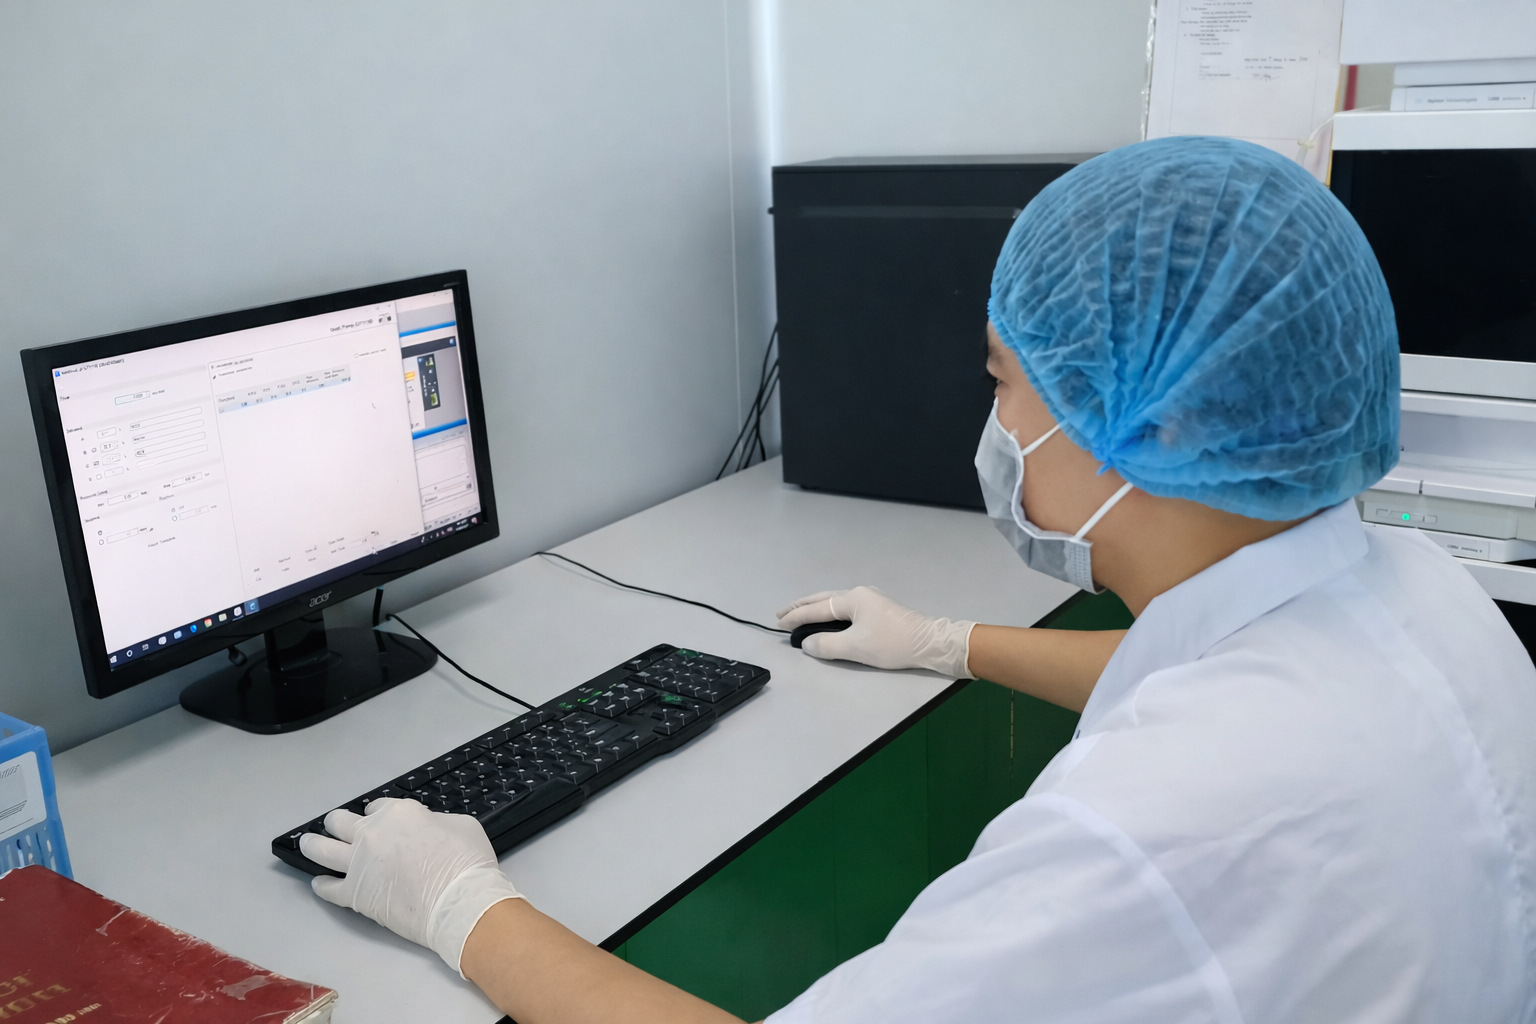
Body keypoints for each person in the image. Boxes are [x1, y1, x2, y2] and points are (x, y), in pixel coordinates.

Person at [298, 137, 1536, 1023]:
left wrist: (463, 907)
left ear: (1142, 426)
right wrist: (949, 641)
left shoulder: (1154, 823)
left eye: (1005, 379)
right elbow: (1211, 663)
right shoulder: (1424, 592)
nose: (992, 419)